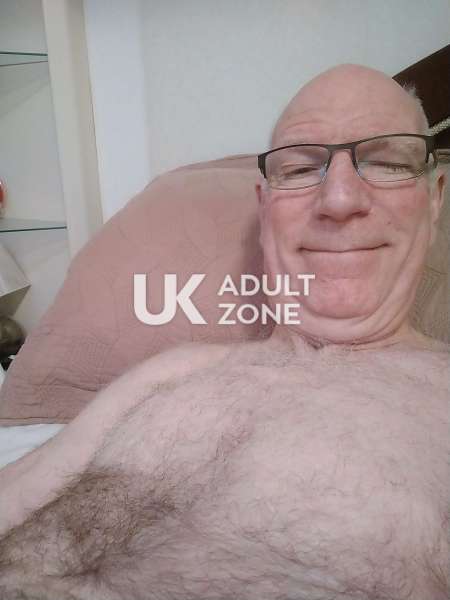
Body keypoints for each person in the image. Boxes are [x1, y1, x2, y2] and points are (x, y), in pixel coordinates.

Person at [0, 64, 448, 600]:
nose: (339, 200)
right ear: (265, 209)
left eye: (386, 162)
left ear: (436, 198)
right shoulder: (169, 373)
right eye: (300, 169)